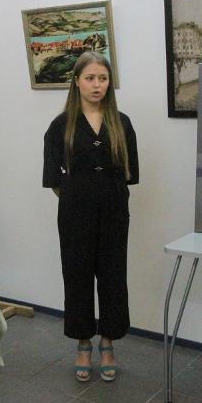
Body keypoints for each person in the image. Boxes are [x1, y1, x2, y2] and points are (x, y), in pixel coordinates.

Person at [42, 51, 139, 382]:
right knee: (77, 275)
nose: (97, 85)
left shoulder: (122, 123)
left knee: (113, 276)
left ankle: (108, 342)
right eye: (90, 78)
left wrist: (103, 196)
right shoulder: (61, 126)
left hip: (114, 211)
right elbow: (53, 180)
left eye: (103, 78)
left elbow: (129, 173)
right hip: (75, 213)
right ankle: (83, 343)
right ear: (77, 81)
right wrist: (80, 196)